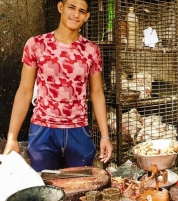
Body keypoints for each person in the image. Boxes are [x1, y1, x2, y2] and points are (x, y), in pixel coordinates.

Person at [3, 0, 113, 171]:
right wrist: (12, 137)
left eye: (82, 11)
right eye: (71, 7)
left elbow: (97, 93)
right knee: (46, 190)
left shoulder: (92, 50)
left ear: (87, 17)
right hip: (43, 129)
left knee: (81, 187)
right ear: (60, 7)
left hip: (78, 129)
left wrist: (105, 136)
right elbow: (25, 91)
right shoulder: (36, 45)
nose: (76, 14)